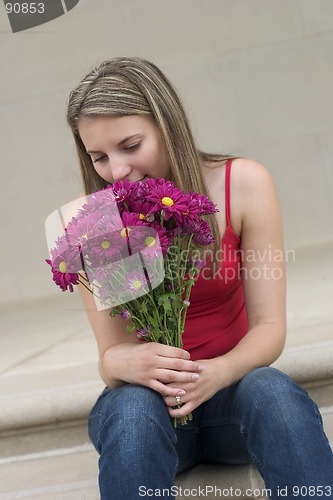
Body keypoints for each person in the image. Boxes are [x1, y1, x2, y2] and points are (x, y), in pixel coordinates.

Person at [65, 57, 333, 500]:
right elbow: (110, 356)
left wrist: (221, 371)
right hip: (152, 412)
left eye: (131, 145)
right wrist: (120, 363)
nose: (116, 171)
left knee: (272, 390)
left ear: (167, 124)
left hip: (233, 396)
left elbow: (270, 328)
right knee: (130, 409)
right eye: (99, 157)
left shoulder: (242, 183)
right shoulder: (93, 217)